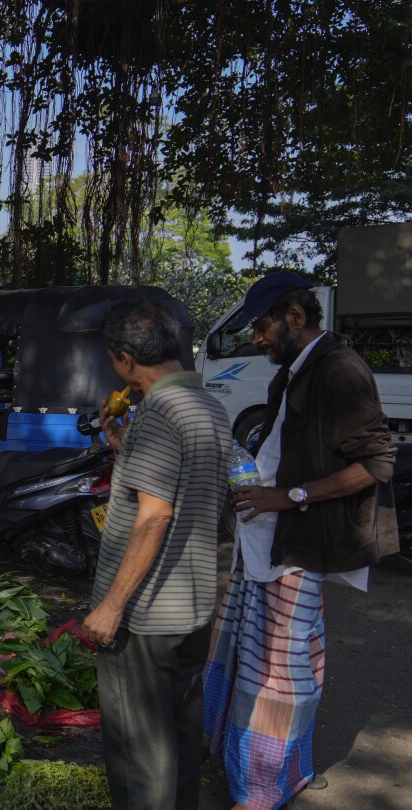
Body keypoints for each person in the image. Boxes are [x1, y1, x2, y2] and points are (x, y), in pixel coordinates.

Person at [204, 272, 397, 810]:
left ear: (294, 316)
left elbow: (375, 463)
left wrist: (288, 496)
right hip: (264, 542)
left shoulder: (339, 368)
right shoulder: (292, 370)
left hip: (298, 544)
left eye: (262, 327)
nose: (257, 339)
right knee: (246, 657)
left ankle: (265, 788)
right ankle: (236, 762)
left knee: (279, 675)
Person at [83, 298, 231, 810]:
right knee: (179, 738)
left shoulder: (161, 411)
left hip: (145, 620)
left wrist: (112, 605)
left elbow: (155, 517)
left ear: (125, 359)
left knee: (139, 755)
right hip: (191, 612)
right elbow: (179, 486)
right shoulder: (208, 405)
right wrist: (123, 444)